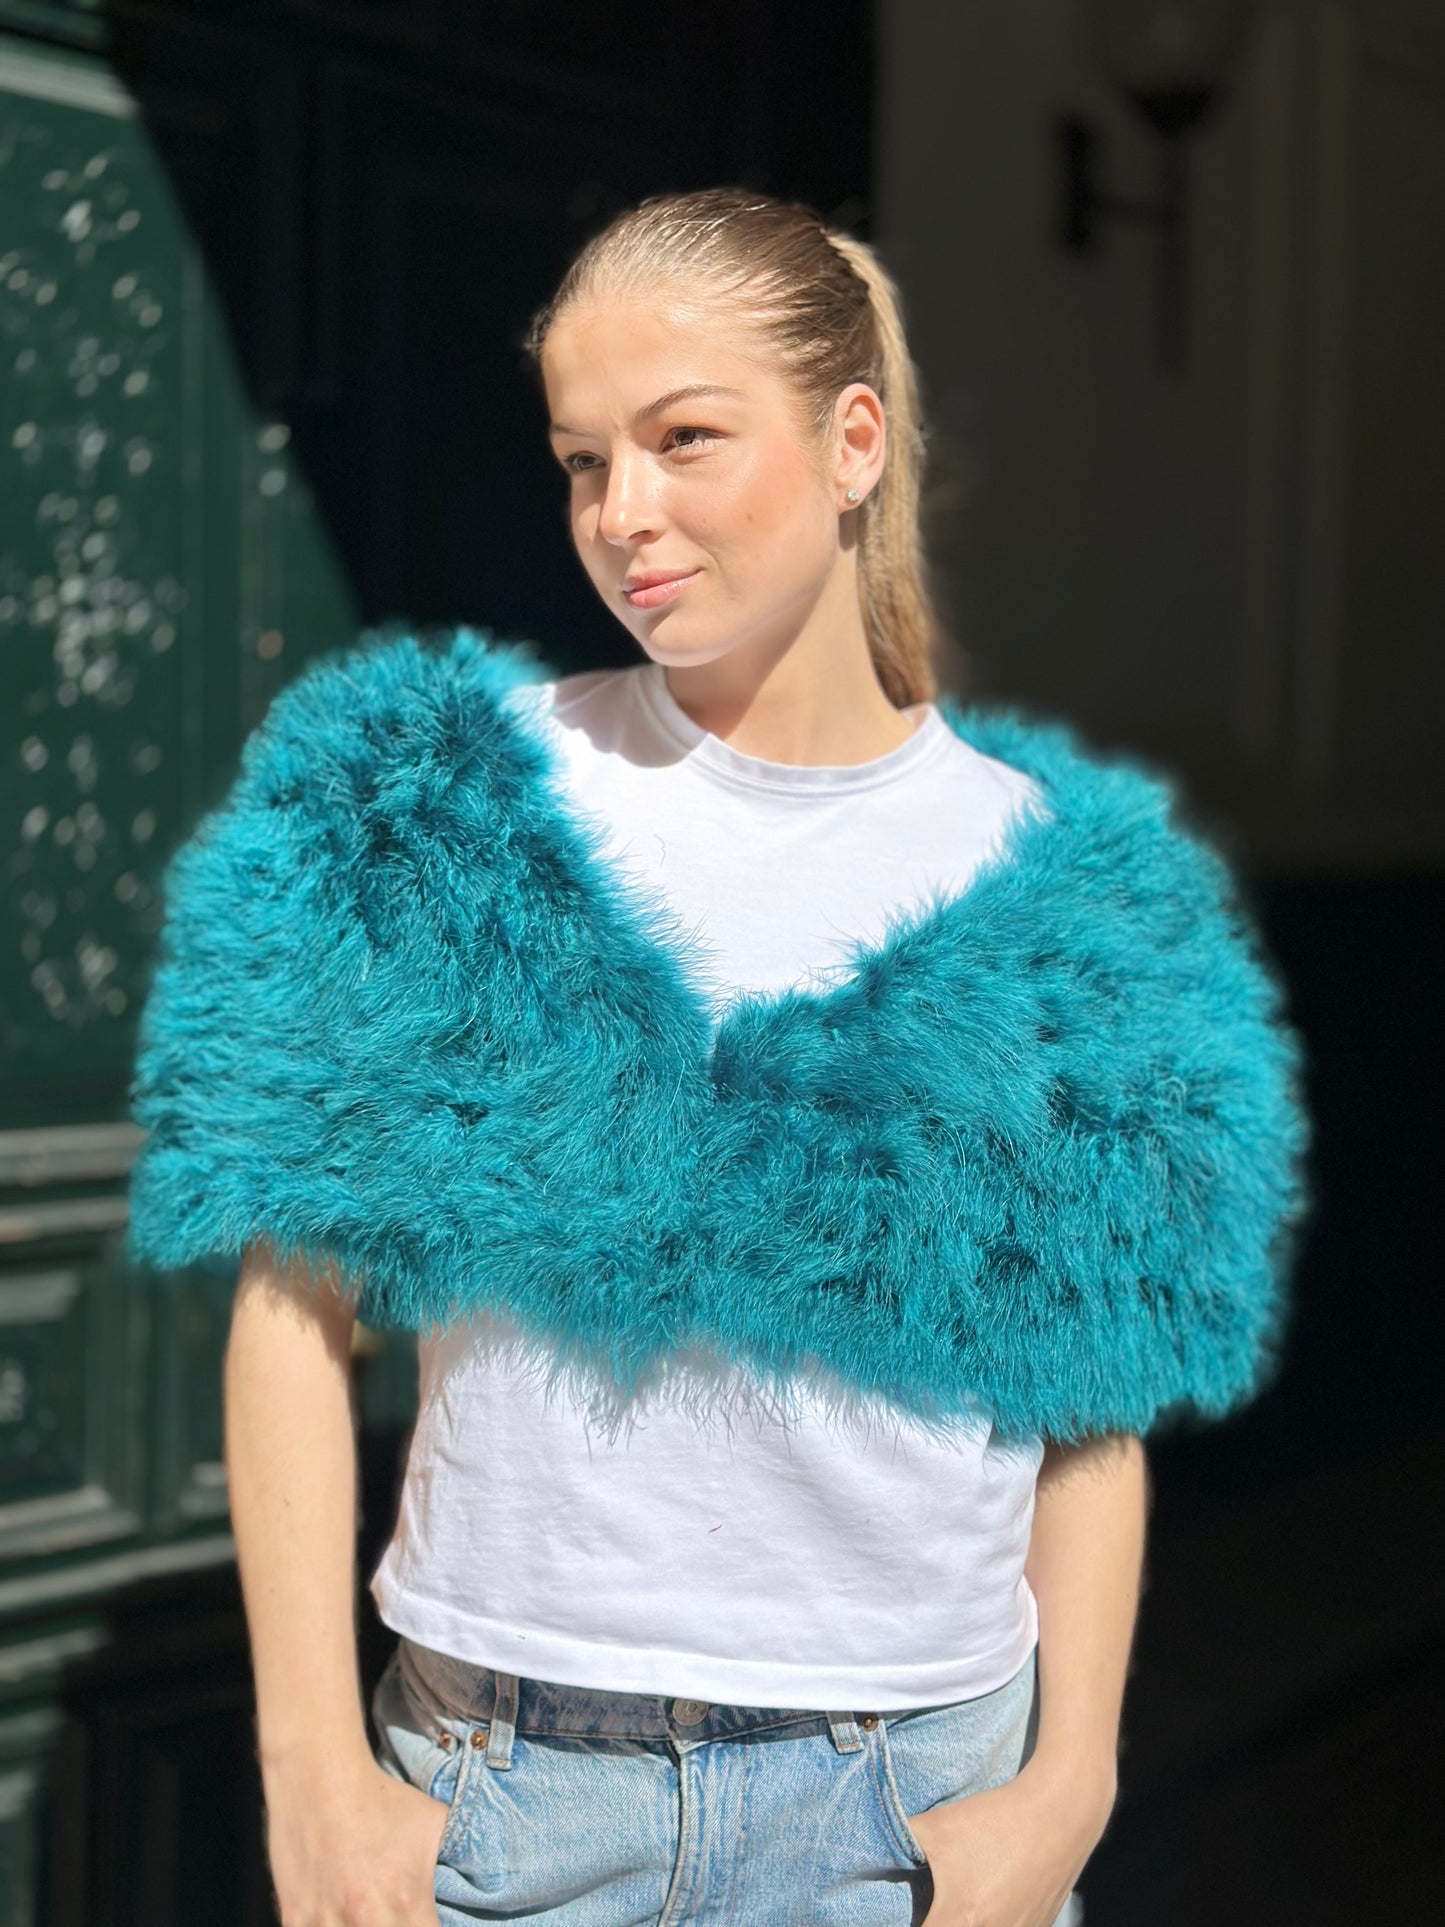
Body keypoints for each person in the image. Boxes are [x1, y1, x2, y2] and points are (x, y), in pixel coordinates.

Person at [130, 187, 1308, 1926]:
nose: (622, 513)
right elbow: (290, 1303)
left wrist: (1070, 1785)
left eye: (684, 439)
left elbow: (1090, 1396)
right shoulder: (441, 809)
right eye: (581, 459)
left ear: (852, 443)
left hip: (913, 1813)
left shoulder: (1061, 884)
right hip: (504, 1797)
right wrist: (312, 1775)